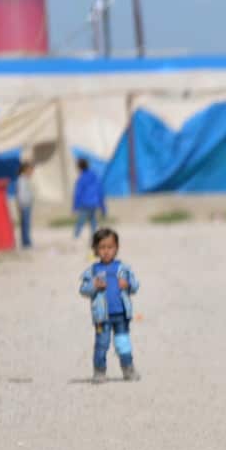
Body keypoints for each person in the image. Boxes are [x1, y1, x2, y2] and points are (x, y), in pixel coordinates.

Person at [79, 228, 141, 382]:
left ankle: (128, 369)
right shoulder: (92, 270)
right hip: (102, 317)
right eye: (102, 247)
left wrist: (127, 284)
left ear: (116, 248)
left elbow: (135, 286)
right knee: (102, 344)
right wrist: (94, 285)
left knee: (123, 344)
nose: (106, 251)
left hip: (121, 315)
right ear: (95, 249)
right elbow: (83, 290)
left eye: (110, 247)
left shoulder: (123, 268)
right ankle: (99, 371)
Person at [72, 158, 106, 241]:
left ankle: (76, 236)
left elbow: (78, 193)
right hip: (94, 202)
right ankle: (94, 237)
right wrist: (103, 207)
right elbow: (100, 191)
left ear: (79, 167)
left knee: (81, 221)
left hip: (84, 203)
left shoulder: (81, 178)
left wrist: (75, 206)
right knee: (93, 221)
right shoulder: (95, 176)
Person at [16, 161, 35, 249]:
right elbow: (21, 194)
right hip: (24, 205)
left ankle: (26, 242)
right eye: (30, 170)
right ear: (25, 170)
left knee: (26, 224)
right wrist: (23, 204)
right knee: (25, 224)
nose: (31, 172)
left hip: (26, 204)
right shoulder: (21, 180)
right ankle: (26, 242)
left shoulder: (25, 179)